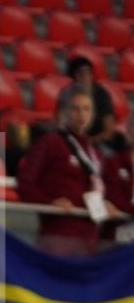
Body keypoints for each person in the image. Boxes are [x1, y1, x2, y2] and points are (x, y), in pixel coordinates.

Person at [16, 88, 134, 257]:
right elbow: (25, 182)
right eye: (75, 108)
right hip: (59, 234)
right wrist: (48, 203)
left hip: (91, 237)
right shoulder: (50, 142)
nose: (81, 115)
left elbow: (101, 191)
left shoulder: (96, 152)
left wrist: (106, 204)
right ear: (64, 112)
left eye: (87, 109)